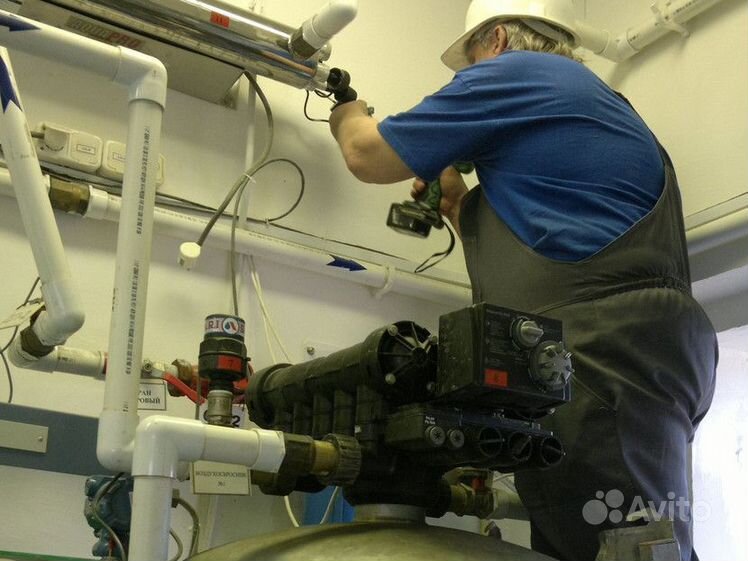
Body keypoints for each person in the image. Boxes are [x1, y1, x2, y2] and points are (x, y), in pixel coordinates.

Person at [328, 0, 718, 560]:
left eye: (470, 63)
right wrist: (458, 202)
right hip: (651, 355)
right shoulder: (600, 103)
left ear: (497, 40)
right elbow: (550, 240)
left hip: (598, 356)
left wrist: (347, 112)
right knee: (634, 535)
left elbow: (366, 155)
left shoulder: (516, 73)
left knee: (621, 547)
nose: (470, 77)